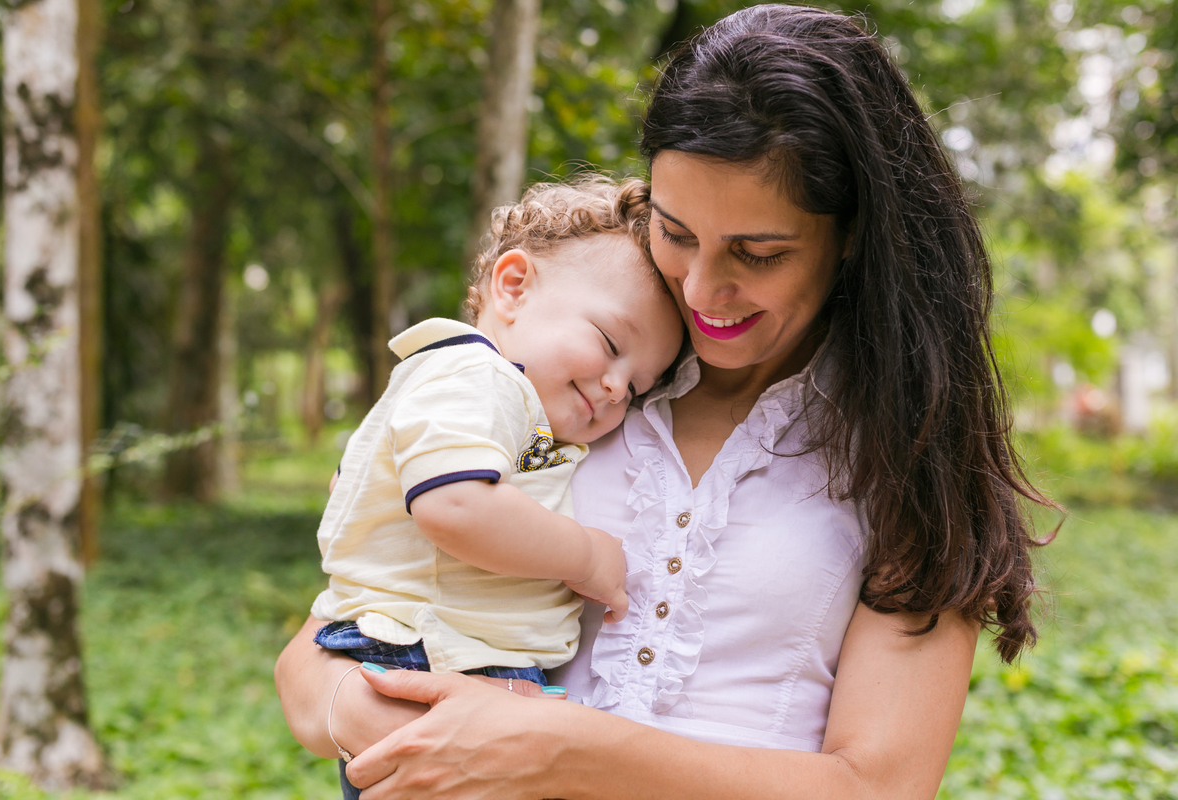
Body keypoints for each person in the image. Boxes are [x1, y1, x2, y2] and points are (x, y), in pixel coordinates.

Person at [275, 6, 1052, 798]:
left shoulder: (906, 444)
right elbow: (312, 663)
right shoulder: (571, 379)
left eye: (759, 253)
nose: (703, 290)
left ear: (853, 234)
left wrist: (562, 749)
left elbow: (882, 786)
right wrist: (400, 725)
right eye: (676, 232)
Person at [308, 177, 685, 791]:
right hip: (430, 658)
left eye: (638, 385)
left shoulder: (495, 406)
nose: (618, 386)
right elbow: (452, 505)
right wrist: (586, 555)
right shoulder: (477, 373)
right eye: (611, 344)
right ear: (513, 287)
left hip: (452, 660)